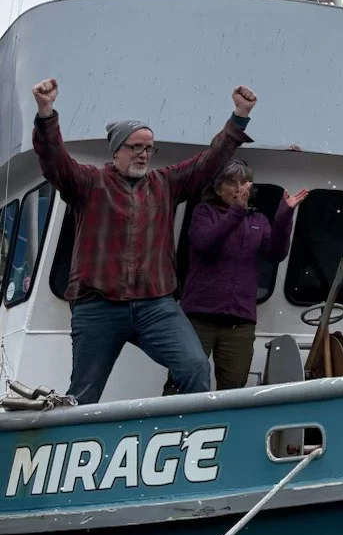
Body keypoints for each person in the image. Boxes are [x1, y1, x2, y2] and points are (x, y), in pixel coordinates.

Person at [31, 77, 258, 405]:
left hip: (156, 305)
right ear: (116, 151)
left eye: (149, 147)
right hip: (98, 307)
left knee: (195, 367)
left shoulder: (165, 183)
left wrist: (239, 117)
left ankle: (188, 439)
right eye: (135, 147)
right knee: (83, 393)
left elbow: (210, 162)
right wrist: (46, 113)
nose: (143, 154)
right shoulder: (88, 183)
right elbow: (55, 161)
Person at [176, 160, 307, 391]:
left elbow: (275, 253)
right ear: (218, 188)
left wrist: (285, 214)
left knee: (234, 387)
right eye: (231, 182)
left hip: (240, 320)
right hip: (199, 316)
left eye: (243, 182)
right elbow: (206, 243)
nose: (238, 188)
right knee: (184, 381)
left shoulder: (257, 221)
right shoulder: (203, 213)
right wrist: (236, 212)